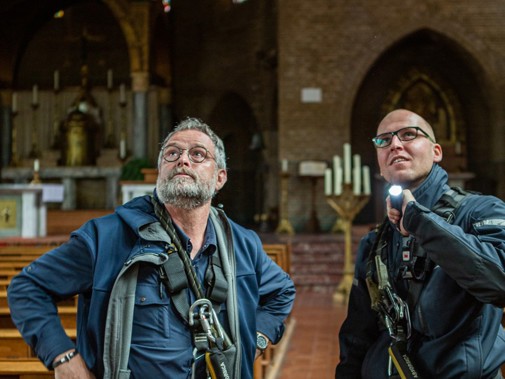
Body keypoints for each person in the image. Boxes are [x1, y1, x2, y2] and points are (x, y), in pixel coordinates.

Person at [8, 118, 296, 379]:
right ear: (161, 171)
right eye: (172, 154)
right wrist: (63, 357)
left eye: (198, 154)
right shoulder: (104, 238)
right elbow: (27, 287)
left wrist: (256, 339)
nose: (183, 160)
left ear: (219, 177)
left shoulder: (242, 244)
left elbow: (282, 292)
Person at [335, 109, 505, 378]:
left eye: (408, 134)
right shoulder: (374, 242)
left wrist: (420, 221)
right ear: (380, 162)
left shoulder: (480, 211)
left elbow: (499, 282)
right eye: (384, 140)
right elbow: (358, 337)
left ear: (436, 151)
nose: (395, 145)